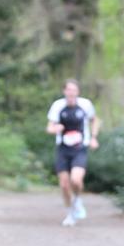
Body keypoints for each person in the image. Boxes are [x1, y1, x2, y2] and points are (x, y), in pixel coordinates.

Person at [47, 79, 99, 227]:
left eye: (74, 90)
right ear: (64, 91)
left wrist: (93, 138)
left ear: (78, 91)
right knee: (64, 185)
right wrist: (55, 129)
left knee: (76, 180)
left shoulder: (85, 105)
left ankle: (77, 199)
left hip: (80, 148)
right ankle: (70, 213)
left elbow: (95, 120)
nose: (71, 93)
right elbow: (49, 127)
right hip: (63, 149)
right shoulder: (58, 106)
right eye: (68, 90)